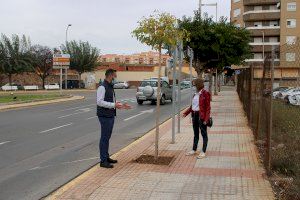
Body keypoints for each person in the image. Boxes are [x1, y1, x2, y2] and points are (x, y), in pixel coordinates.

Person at [97, 69, 131, 168]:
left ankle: (106, 157)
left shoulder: (110, 86)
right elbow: (99, 102)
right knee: (104, 138)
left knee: (107, 137)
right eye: (115, 75)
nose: (116, 77)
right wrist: (113, 105)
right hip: (104, 116)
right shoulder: (102, 87)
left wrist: (121, 105)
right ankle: (103, 161)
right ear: (110, 75)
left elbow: (112, 102)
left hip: (110, 115)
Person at [183, 78, 211, 159]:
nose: (194, 86)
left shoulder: (205, 94)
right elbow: (193, 106)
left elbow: (208, 108)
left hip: (201, 116)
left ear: (199, 85)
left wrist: (206, 119)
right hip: (194, 115)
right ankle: (194, 149)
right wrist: (186, 112)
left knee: (204, 133)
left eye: (195, 84)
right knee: (195, 133)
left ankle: (203, 151)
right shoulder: (195, 94)